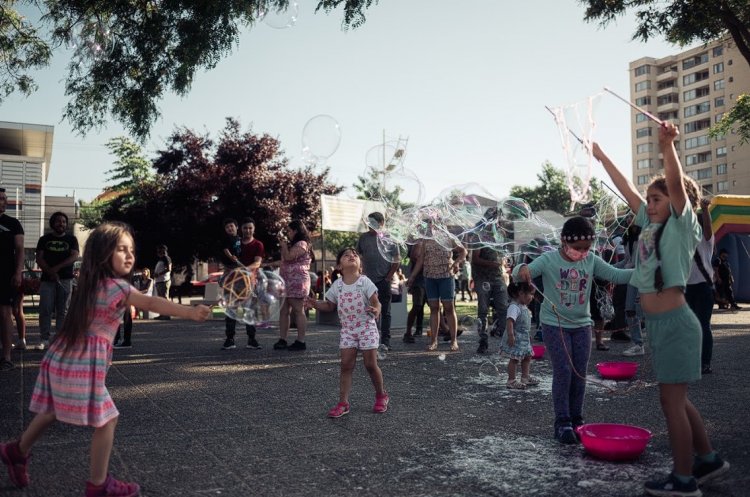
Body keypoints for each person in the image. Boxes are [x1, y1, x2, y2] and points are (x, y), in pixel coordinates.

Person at [0, 222, 210, 495]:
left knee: (52, 409)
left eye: (131, 250)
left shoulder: (89, 283)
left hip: (62, 357)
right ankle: (98, 485)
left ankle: (17, 451)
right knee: (107, 419)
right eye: (121, 250)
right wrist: (191, 313)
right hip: (82, 363)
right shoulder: (117, 288)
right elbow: (151, 303)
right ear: (103, 255)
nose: (130, 255)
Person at [594, 123, 730, 496]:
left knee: (671, 402)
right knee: (677, 399)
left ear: (676, 202)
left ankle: (684, 480)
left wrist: (666, 146)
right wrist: (603, 157)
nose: (651, 203)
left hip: (676, 324)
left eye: (659, 198)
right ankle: (708, 460)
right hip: (662, 326)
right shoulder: (650, 227)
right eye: (651, 199)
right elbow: (627, 191)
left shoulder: (682, 227)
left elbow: (675, 181)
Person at [513, 216, 632, 445]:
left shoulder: (591, 260)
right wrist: (522, 268)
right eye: (578, 248)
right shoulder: (549, 260)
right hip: (554, 324)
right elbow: (521, 272)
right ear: (564, 242)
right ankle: (562, 422)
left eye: (587, 248)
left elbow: (616, 275)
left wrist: (644, 272)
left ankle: (577, 419)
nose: (582, 253)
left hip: (582, 326)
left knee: (579, 374)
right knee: (564, 371)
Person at [305, 247, 388, 417]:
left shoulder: (365, 282)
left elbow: (376, 301)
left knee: (370, 365)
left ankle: (381, 395)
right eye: (346, 255)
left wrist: (377, 310)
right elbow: (329, 305)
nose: (352, 256)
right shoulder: (337, 285)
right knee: (346, 366)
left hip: (367, 328)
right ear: (338, 266)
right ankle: (343, 403)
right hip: (348, 330)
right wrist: (315, 304)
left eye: (355, 255)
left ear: (360, 265)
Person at [409, 220, 467, 352]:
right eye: (429, 223)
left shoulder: (449, 237)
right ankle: (434, 341)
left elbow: (464, 251)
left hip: (446, 275)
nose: (430, 226)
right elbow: (421, 259)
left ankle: (454, 341)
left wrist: (457, 262)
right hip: (429, 276)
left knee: (448, 308)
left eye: (433, 223)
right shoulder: (426, 240)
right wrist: (412, 276)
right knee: (434, 308)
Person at [36, 211, 80, 350]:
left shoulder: (72, 239)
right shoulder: (44, 239)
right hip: (47, 280)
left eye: (64, 221)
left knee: (63, 311)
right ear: (52, 223)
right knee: (45, 309)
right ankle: (44, 339)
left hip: (66, 280)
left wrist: (56, 269)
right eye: (58, 221)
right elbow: (39, 258)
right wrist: (50, 271)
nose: (61, 224)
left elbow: (74, 256)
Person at [357, 212, 400, 350]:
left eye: (373, 223)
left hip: (383, 280)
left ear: (381, 223)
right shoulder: (363, 238)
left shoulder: (390, 239)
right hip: (367, 281)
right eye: (368, 223)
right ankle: (370, 340)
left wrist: (388, 277)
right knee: (368, 311)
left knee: (385, 312)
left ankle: (385, 342)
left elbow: (396, 260)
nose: (369, 225)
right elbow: (358, 256)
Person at [220, 218, 265, 350]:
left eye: (250, 228)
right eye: (245, 228)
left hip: (249, 281)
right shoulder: (235, 243)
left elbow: (257, 262)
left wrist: (245, 270)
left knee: (249, 310)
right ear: (241, 229)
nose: (248, 230)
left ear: (254, 229)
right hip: (233, 281)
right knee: (231, 310)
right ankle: (230, 339)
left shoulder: (258, 244)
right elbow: (226, 258)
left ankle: (251, 339)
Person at [685, 198, 716, 375]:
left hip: (703, 287)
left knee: (703, 325)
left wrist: (704, 209)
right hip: (687, 288)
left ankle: (705, 362)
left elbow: (708, 227)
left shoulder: (706, 240)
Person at [472, 210, 509, 354]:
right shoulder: (479, 235)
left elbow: (502, 256)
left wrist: (503, 264)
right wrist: (492, 264)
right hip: (482, 278)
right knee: (483, 310)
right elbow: (475, 259)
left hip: (498, 277)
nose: (498, 220)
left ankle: (506, 341)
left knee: (504, 308)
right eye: (495, 217)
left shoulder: (501, 234)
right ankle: (483, 341)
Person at [275, 220, 312, 351]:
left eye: (289, 231)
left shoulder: (302, 244)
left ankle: (300, 341)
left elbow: (289, 257)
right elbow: (285, 260)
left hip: (297, 282)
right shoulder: (293, 244)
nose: (288, 234)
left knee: (298, 310)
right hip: (285, 281)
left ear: (295, 230)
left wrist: (283, 245)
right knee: (283, 311)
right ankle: (282, 339)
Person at [0, 187, 24, 371]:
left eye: (5, 198)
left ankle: (6, 356)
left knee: (5, 313)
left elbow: (20, 250)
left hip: (5, 274)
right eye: (1, 198)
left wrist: (18, 272)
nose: (4, 201)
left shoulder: (13, 223)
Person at [500, 281, 537, 389]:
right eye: (531, 294)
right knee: (515, 359)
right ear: (521, 293)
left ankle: (525, 377)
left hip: (523, 338)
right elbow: (510, 321)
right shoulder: (514, 307)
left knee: (527, 357)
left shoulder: (523, 306)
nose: (532, 297)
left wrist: (527, 335)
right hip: (516, 338)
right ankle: (511, 380)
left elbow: (524, 324)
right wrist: (511, 335)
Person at [153, 244, 172, 319]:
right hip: (159, 281)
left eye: (159, 250)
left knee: (164, 298)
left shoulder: (166, 258)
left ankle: (167, 315)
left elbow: (169, 269)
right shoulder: (161, 259)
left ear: (163, 251)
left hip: (164, 281)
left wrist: (158, 274)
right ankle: (162, 314)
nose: (158, 252)